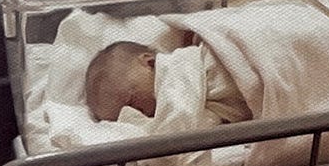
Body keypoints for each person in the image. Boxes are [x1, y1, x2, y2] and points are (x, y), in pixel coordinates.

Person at [85, 40, 252, 124]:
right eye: (121, 118)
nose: (136, 115)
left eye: (132, 102)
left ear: (149, 62)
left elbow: (179, 124)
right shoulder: (192, 104)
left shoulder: (175, 68)